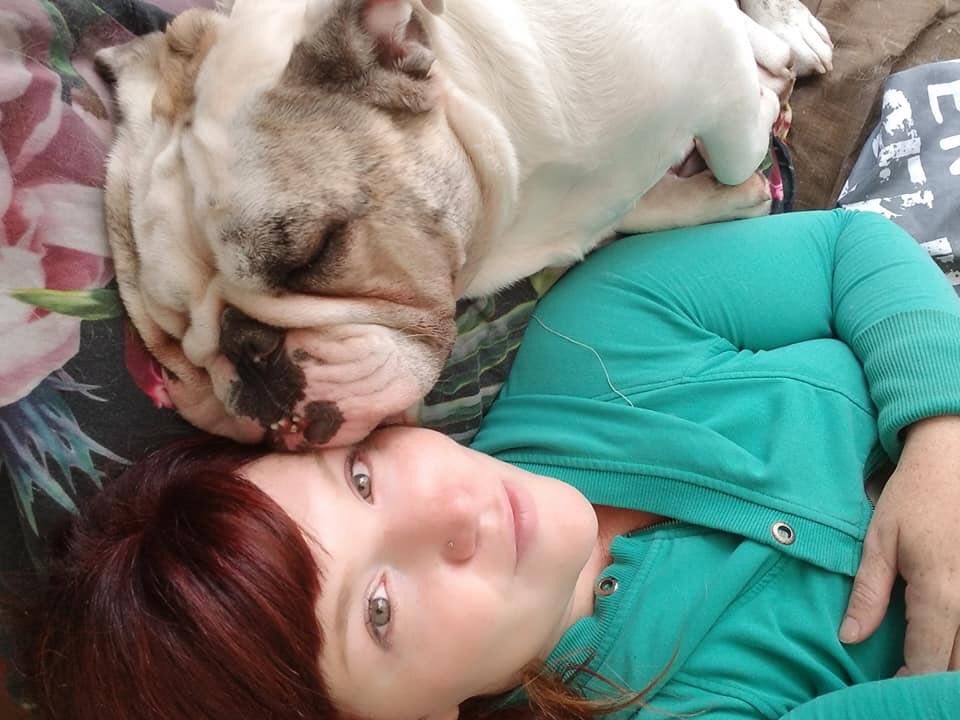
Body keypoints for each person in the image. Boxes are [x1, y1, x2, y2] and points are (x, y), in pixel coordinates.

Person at [12, 209, 960, 720]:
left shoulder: (594, 335)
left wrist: (940, 433)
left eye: (363, 480)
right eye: (377, 610)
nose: (447, 514)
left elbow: (849, 250)